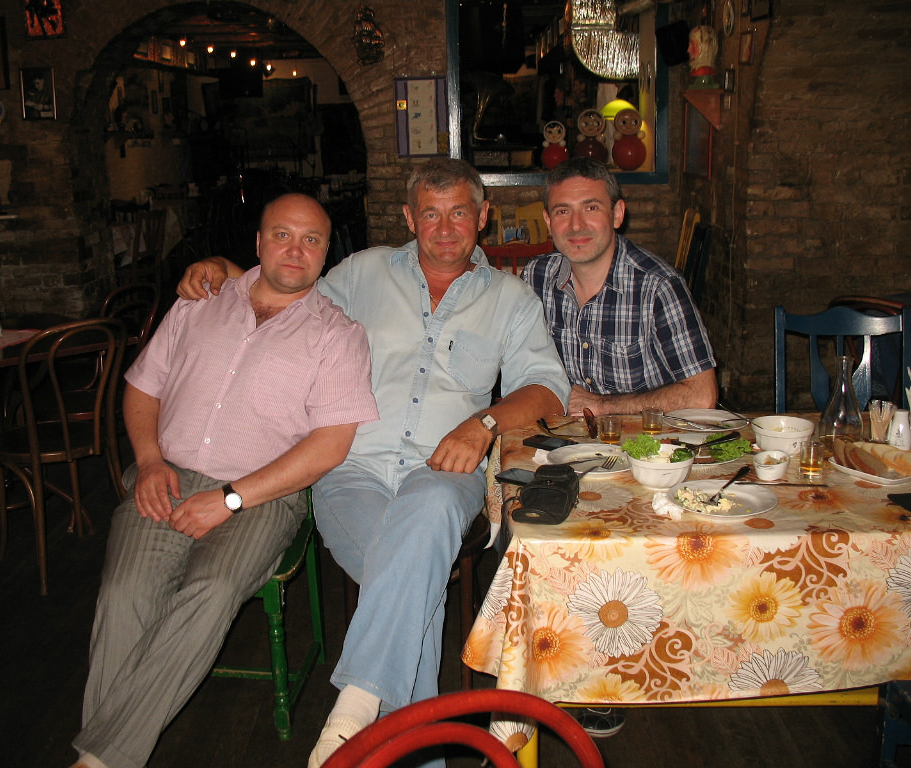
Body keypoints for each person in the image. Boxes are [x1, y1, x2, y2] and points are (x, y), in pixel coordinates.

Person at [177, 158, 570, 767]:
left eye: (459, 212)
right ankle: (388, 731)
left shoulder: (511, 299)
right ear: (409, 217)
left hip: (444, 473)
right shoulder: (362, 273)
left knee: (423, 525)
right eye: (430, 214)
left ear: (482, 217)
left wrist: (483, 423)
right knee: (412, 580)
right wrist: (227, 270)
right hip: (351, 469)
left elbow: (548, 389)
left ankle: (354, 713)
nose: (445, 228)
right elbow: (288, 291)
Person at [69, 193, 379, 768]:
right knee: (125, 592)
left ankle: (98, 760)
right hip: (166, 475)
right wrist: (150, 459)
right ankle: (107, 754)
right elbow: (142, 388)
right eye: (282, 235)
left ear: (325, 254)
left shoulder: (338, 335)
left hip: (262, 496)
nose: (296, 250)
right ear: (258, 243)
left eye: (311, 240)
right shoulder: (199, 302)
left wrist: (231, 497)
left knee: (209, 591)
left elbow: (329, 447)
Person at [527, 157, 718, 418]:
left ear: (617, 214)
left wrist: (602, 405)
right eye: (563, 211)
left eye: (591, 208)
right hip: (565, 435)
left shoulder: (657, 286)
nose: (576, 225)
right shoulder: (536, 277)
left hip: (648, 438)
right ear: (548, 221)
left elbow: (702, 396)